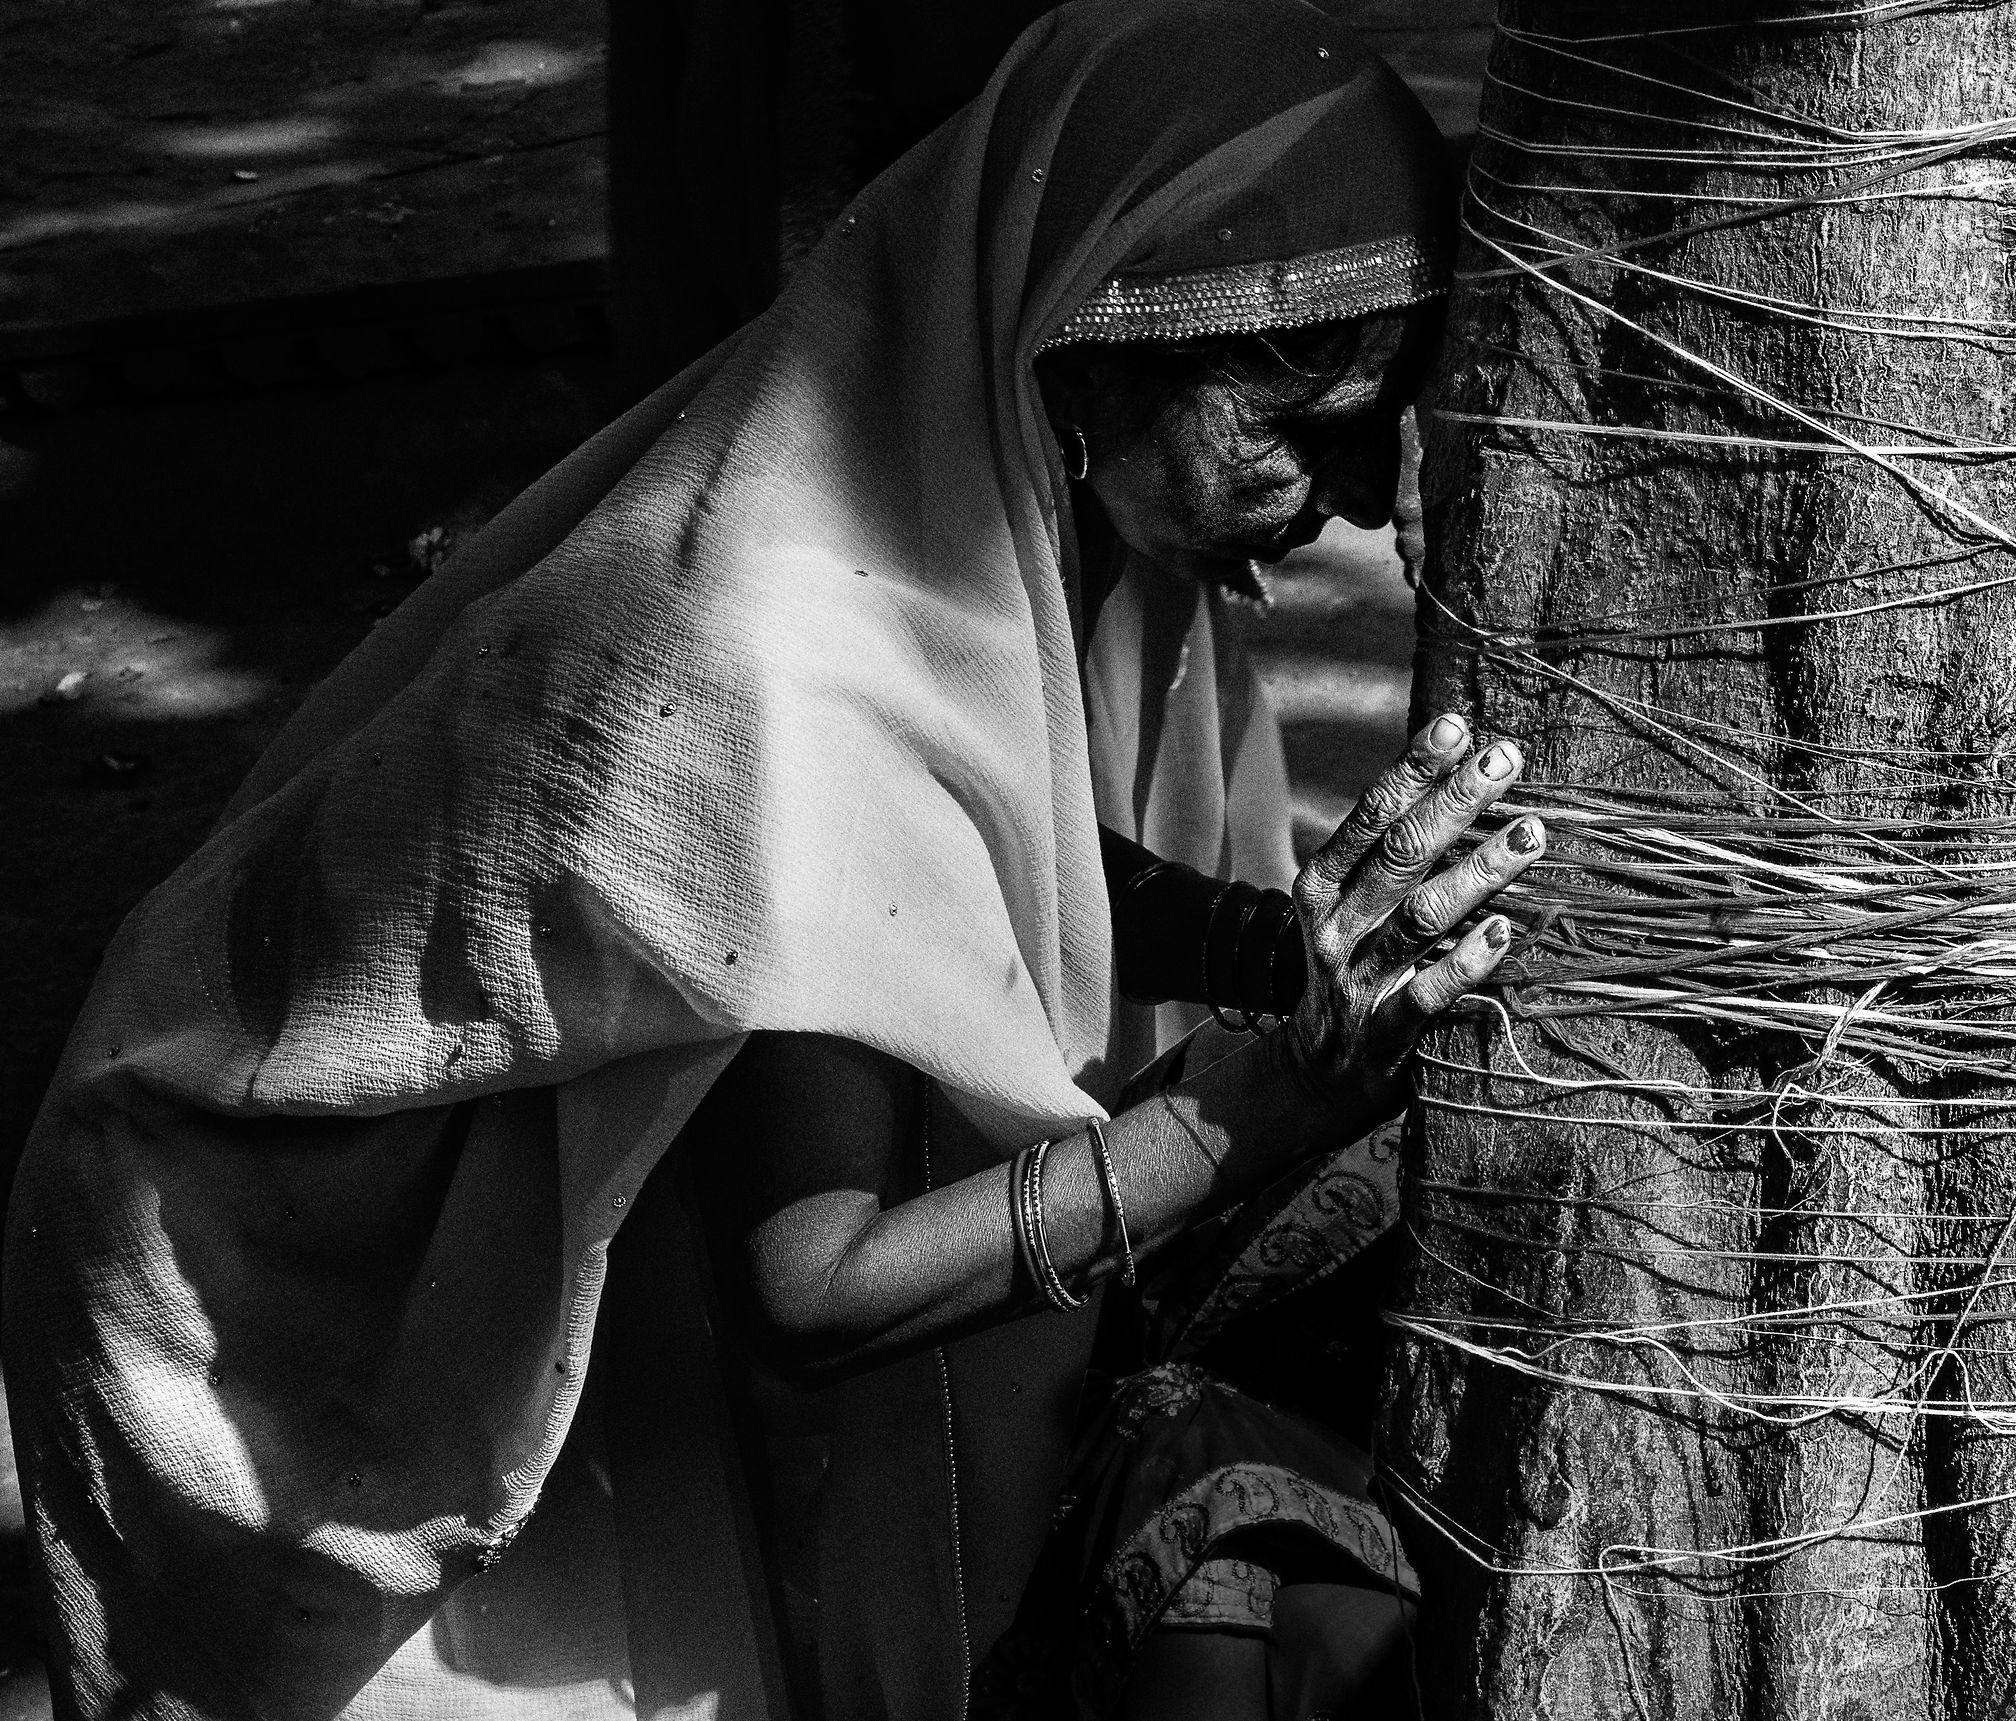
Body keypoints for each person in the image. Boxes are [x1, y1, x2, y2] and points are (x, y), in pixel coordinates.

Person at [0, 5, 1504, 1717]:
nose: (1362, 504)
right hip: (275, 1309)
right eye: (1298, 426)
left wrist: (1260, 952)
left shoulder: (1029, 508)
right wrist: (1235, 1115)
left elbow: (961, 873)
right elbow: (816, 1280)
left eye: (1378, 430)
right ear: (1093, 341)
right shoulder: (783, 675)